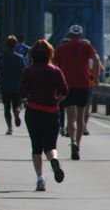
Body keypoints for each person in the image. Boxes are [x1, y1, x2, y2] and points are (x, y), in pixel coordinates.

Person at [19, 39, 68, 191]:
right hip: (51, 112)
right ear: (50, 54)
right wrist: (57, 101)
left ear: (33, 54)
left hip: (33, 111)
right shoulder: (55, 70)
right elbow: (65, 91)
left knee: (36, 146)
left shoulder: (28, 71)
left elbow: (22, 93)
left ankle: (40, 179)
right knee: (50, 145)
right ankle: (54, 159)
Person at [54, 25, 101, 160]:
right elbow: (96, 59)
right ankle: (78, 145)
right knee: (81, 117)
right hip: (83, 84)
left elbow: (54, 65)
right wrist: (96, 76)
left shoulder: (62, 48)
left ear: (69, 34)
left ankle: (72, 141)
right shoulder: (86, 47)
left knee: (71, 116)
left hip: (68, 85)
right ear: (80, 35)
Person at [0, 35, 26, 135]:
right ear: (15, 45)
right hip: (17, 86)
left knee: (6, 107)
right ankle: (17, 112)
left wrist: (1, 78)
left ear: (6, 45)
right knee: (17, 104)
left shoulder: (1, 57)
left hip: (5, 85)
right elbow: (24, 71)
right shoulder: (20, 58)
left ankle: (10, 128)